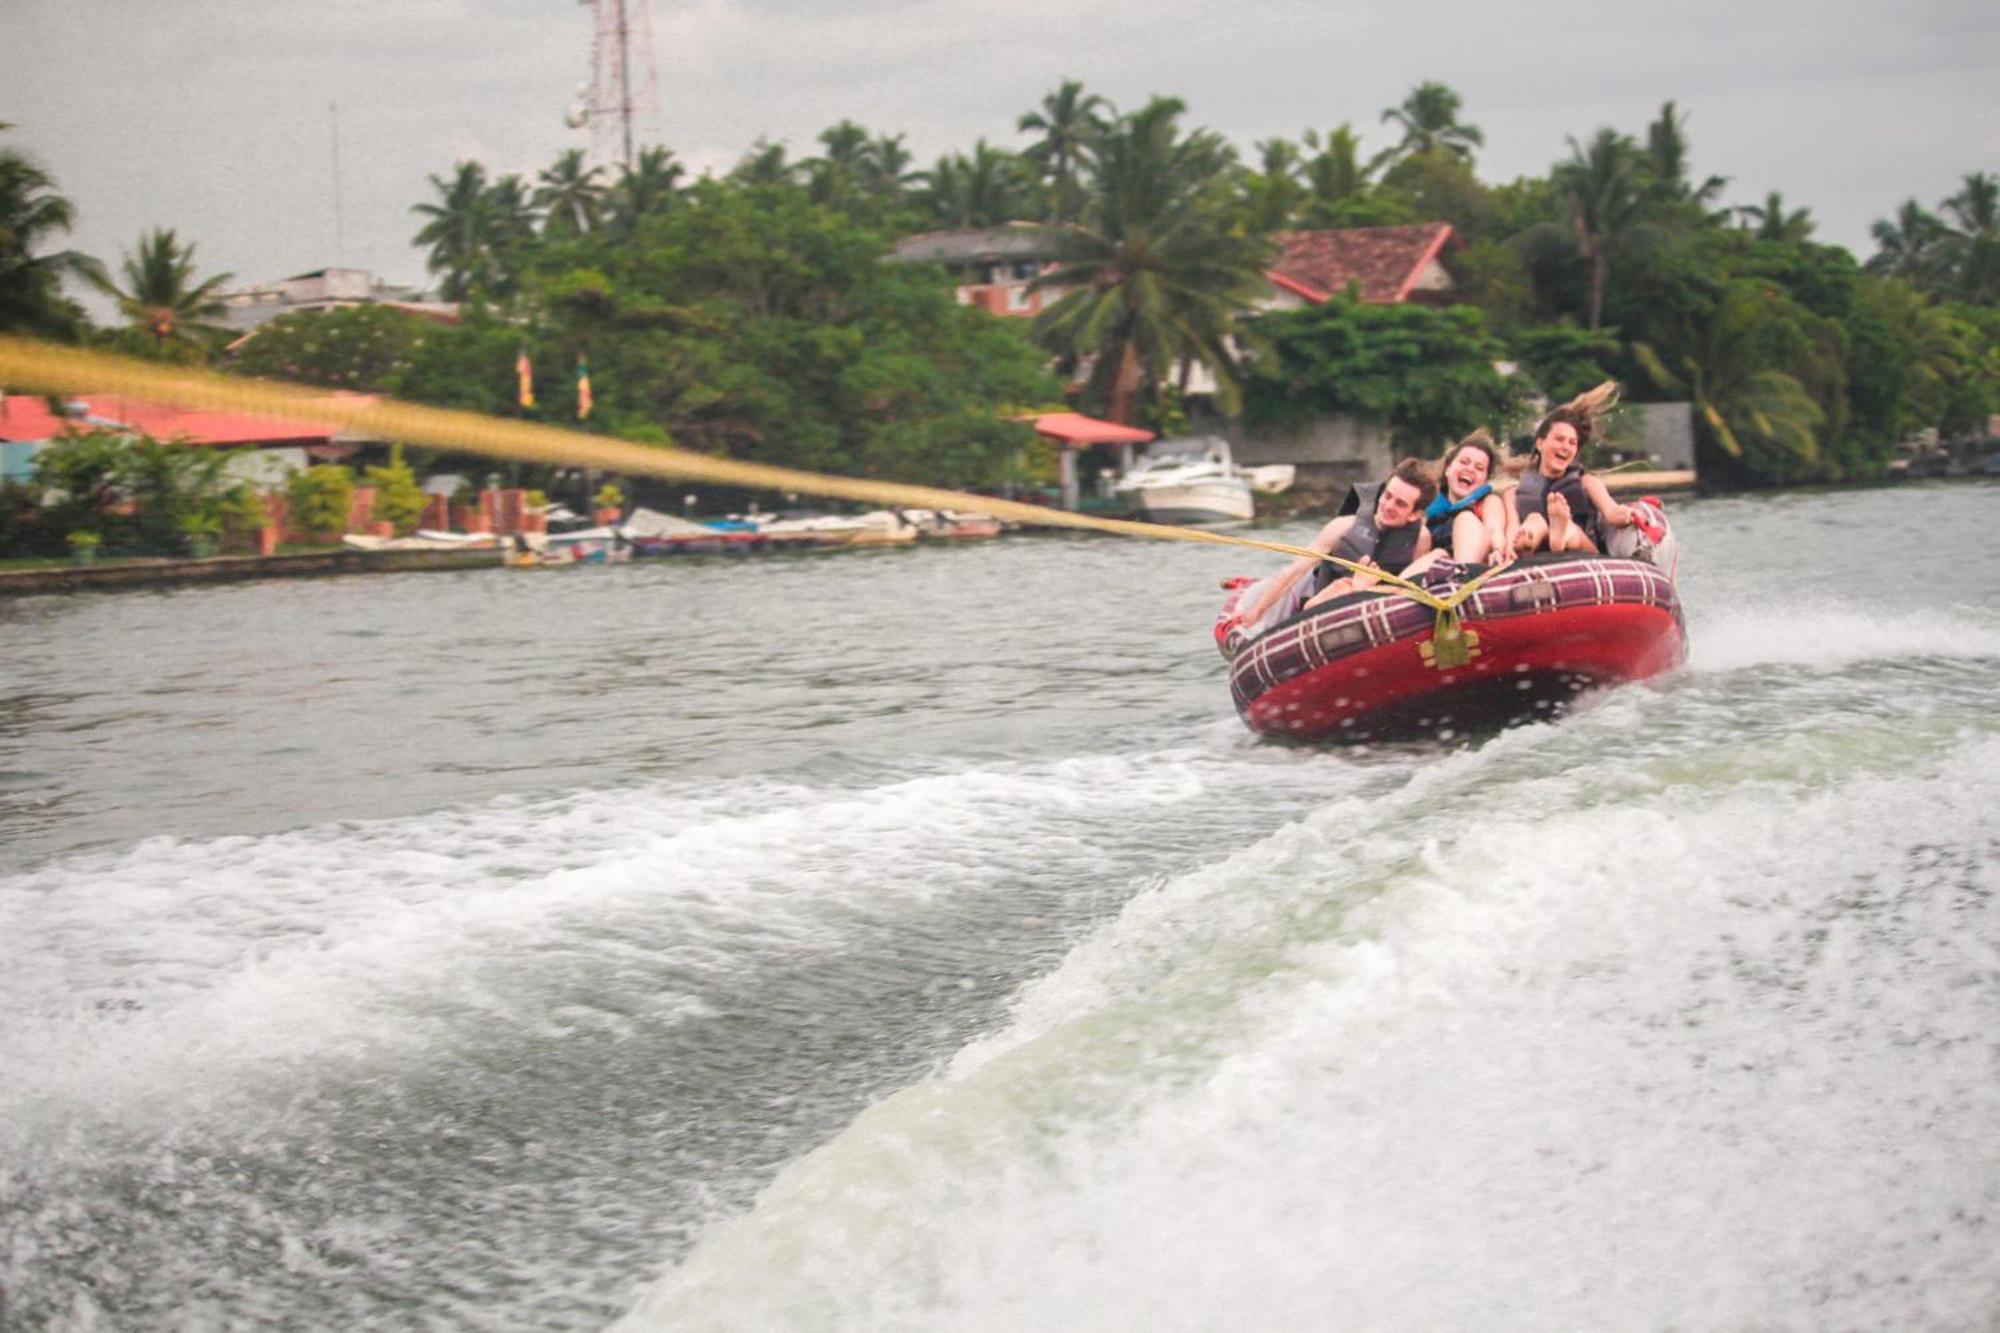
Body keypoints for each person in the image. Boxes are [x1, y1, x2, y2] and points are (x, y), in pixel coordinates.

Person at [1231, 458, 1435, 634]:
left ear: (1415, 514)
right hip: (1325, 611)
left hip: (1380, 614)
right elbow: (1294, 572)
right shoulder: (1342, 527)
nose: (1388, 506)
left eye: (1400, 504)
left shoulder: (1421, 539)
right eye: (1387, 496)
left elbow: (1412, 586)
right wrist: (1256, 613)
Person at [1512, 383, 1641, 555]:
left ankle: (1561, 534)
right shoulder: (1514, 492)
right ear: (1540, 443)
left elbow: (1611, 512)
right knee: (1534, 520)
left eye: (1572, 442)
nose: (1565, 446)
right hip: (1537, 552)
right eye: (1559, 439)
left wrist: (1625, 514)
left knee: (1571, 529)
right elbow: (1510, 527)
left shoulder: (1587, 482)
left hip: (1583, 549)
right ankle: (1528, 540)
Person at [1412, 429, 1513, 568]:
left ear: (1485, 481)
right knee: (1425, 537)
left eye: (1479, 468)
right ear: (1447, 469)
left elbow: (1494, 529)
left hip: (1469, 562)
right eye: (1464, 462)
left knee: (1464, 519)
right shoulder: (1429, 504)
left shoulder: (1488, 502)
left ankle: (1462, 575)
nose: (1470, 469)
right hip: (1429, 562)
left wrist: (1497, 550)